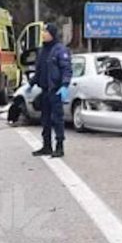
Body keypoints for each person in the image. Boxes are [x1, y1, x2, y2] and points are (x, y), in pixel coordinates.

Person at [32, 23, 72, 158]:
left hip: (56, 90)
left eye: (45, 32)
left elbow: (66, 69)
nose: (43, 34)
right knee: (45, 120)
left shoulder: (60, 50)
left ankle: (59, 146)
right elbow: (39, 70)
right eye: (43, 31)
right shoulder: (42, 50)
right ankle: (46, 146)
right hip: (44, 90)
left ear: (52, 34)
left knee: (57, 119)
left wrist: (65, 85)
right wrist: (31, 83)